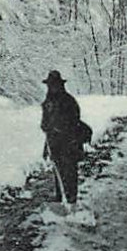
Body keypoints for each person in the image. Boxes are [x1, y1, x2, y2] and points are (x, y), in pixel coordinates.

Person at [40, 69, 84, 205]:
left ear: (60, 85)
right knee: (58, 170)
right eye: (50, 84)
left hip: (70, 143)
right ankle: (60, 199)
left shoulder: (69, 102)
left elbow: (74, 122)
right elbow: (44, 123)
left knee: (69, 172)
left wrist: (61, 130)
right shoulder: (47, 103)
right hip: (54, 143)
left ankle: (71, 201)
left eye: (54, 84)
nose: (52, 87)